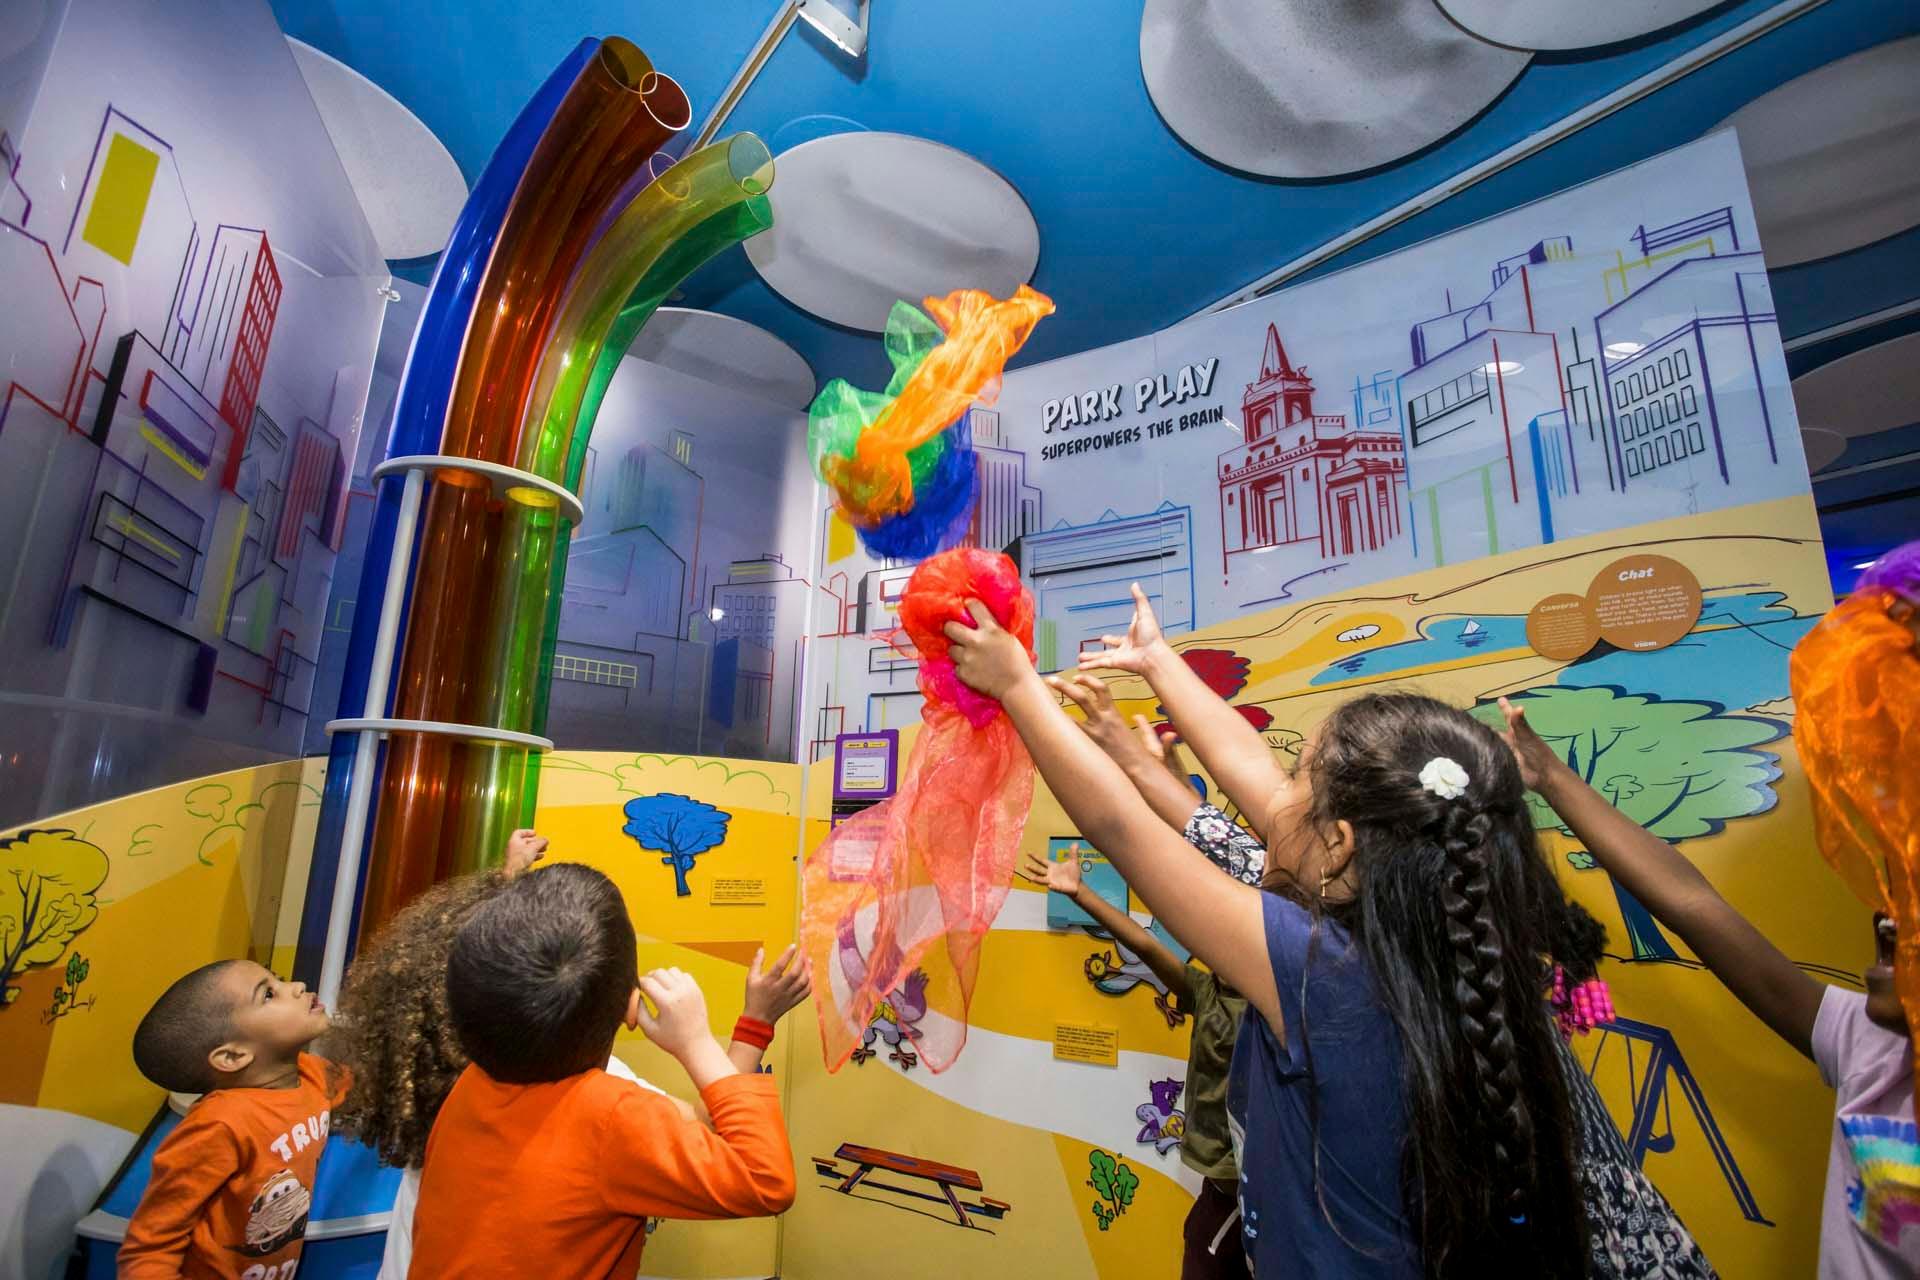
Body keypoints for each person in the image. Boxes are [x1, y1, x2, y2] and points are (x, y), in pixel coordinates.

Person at [946, 583, 1593, 1276]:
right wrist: (1158, 662)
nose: (1271, 788)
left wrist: (1018, 684)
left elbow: (1120, 828)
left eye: (1295, 777)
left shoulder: (1320, 973)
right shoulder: (1444, 957)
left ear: (1340, 845)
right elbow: (1249, 768)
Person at [1498, 694, 1918, 1277]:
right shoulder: (1875, 1049)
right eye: (1899, 898)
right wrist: (1548, 776)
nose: (1887, 923)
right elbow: (1691, 903)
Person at [407, 862, 799, 1278]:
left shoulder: (473, 1083)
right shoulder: (611, 1119)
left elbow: (705, 1128)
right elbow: (764, 1178)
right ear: (633, 1007)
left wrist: (755, 1025)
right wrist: (696, 1041)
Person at [1037, 673, 1262, 1276]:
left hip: (1247, 1188)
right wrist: (1081, 892)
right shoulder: (1209, 988)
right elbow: (1142, 938)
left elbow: (1219, 862)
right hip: (1219, 1180)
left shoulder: (1276, 1000)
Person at [119, 958, 343, 1277]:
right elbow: (150, 1249)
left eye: (278, 980)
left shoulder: (312, 1075)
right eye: (268, 994)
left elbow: (371, 1082)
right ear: (233, 1056)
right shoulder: (219, 1124)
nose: (296, 987)